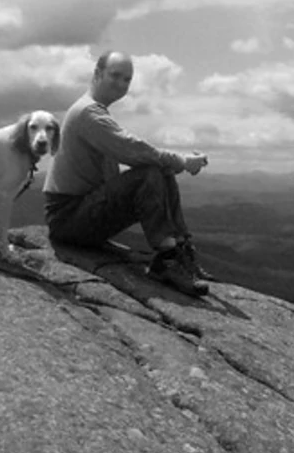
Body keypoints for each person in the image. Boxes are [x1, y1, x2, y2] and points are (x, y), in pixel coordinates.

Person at [44, 51, 212, 295]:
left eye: (127, 79)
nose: (122, 84)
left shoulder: (93, 111)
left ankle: (180, 250)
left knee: (159, 170)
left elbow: (135, 154)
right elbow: (132, 149)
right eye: (115, 76)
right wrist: (183, 161)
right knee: (149, 172)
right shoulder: (89, 114)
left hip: (77, 212)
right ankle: (167, 259)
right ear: (97, 74)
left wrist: (171, 165)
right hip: (67, 217)